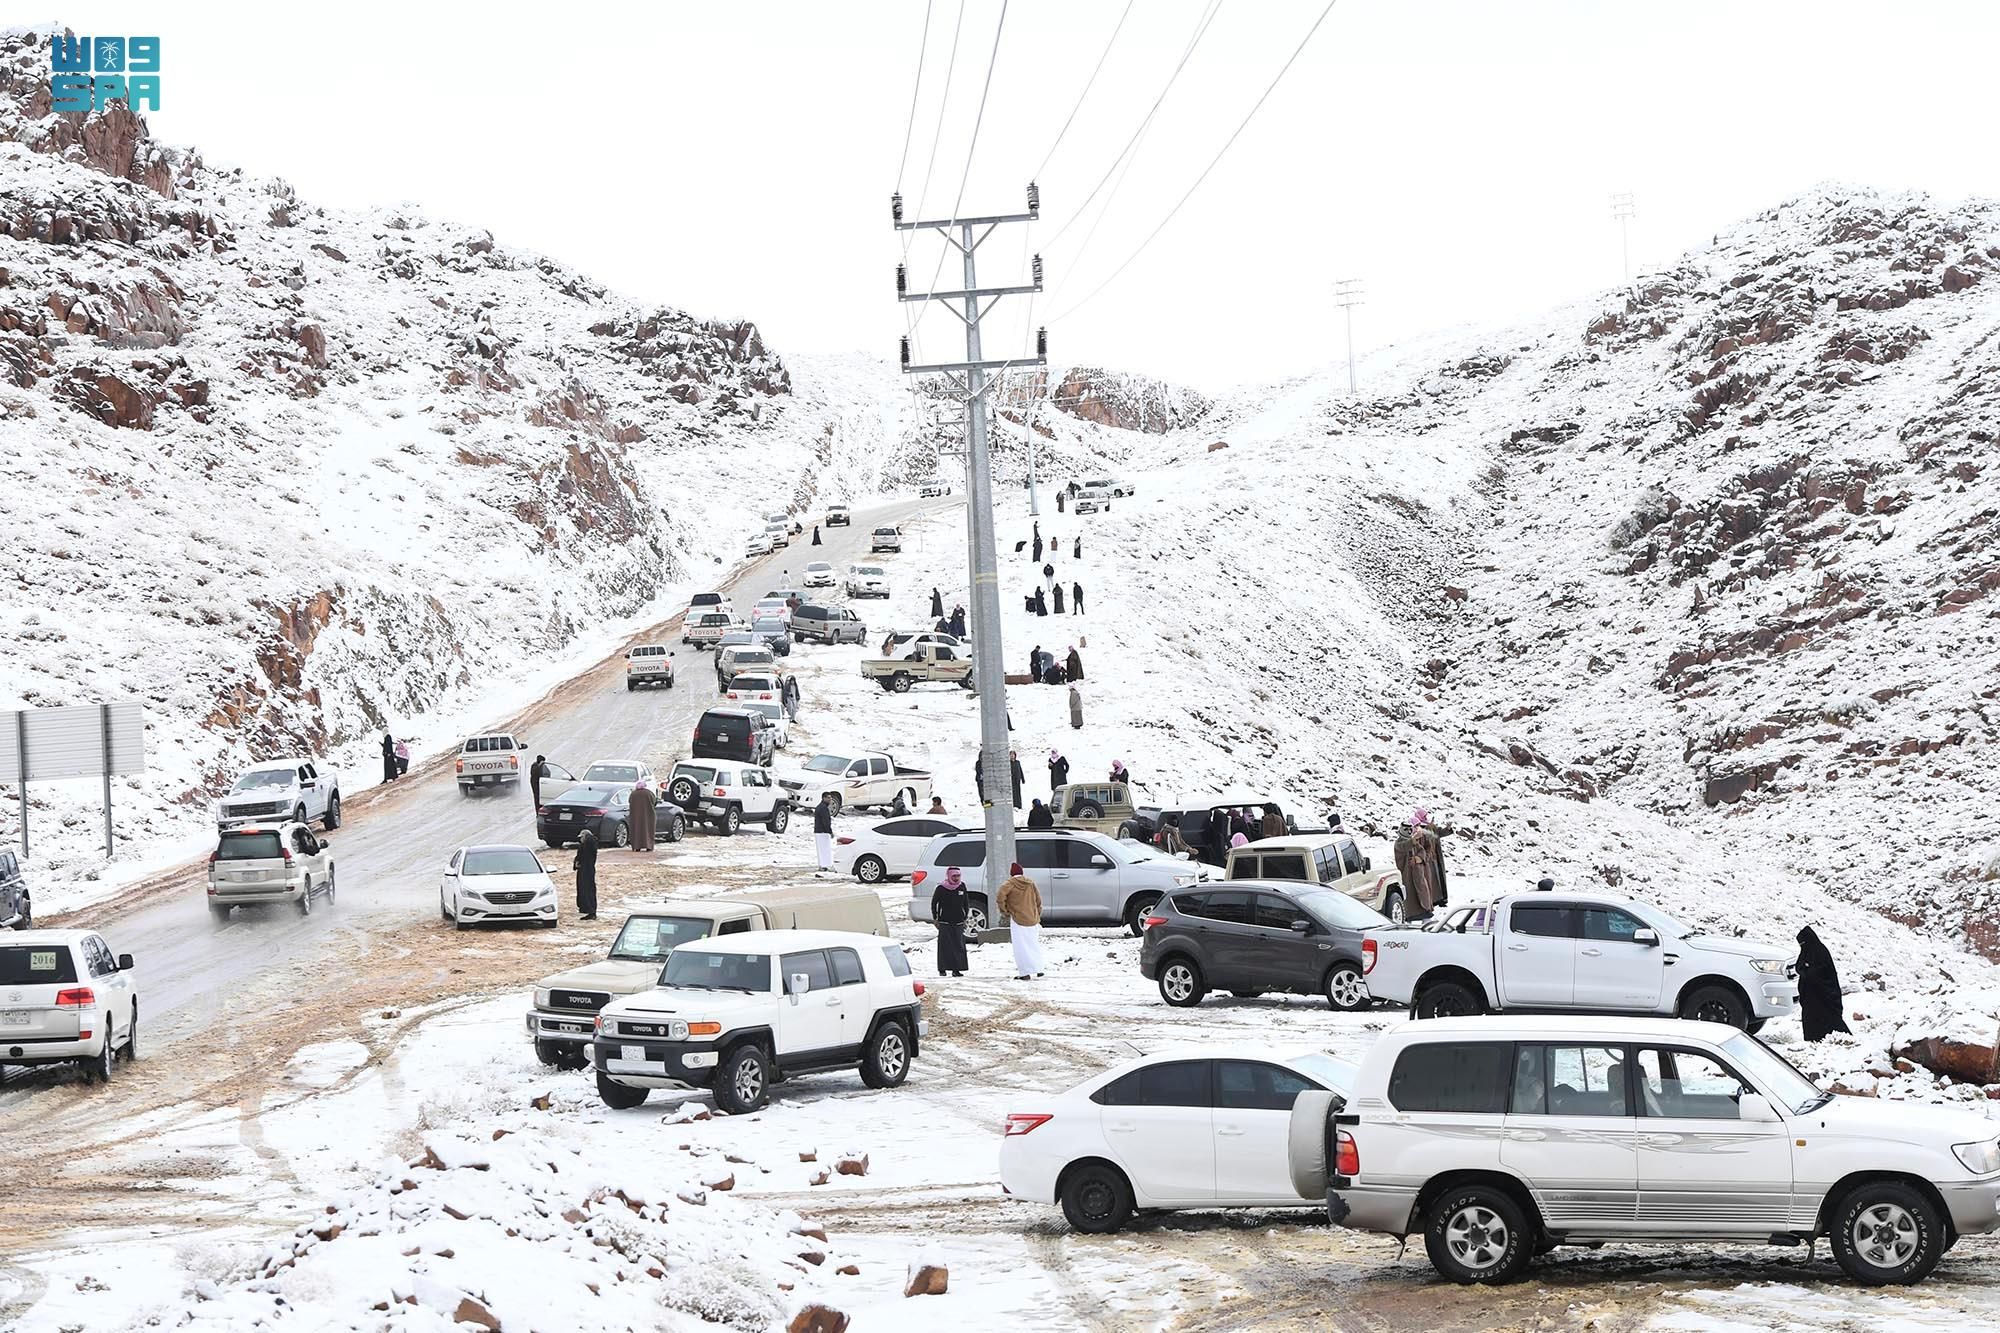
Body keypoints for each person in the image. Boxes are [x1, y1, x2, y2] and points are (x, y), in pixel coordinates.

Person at [1796, 926, 1851, 1041]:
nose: (1802, 946)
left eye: (1803, 943)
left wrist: (1807, 970)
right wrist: (1805, 970)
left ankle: (1841, 1038)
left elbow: (1817, 973)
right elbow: (1799, 967)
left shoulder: (1820, 952)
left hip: (1825, 995)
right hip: (1811, 998)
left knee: (1830, 1019)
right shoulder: (1807, 952)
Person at [1393, 808, 1446, 918]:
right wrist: (1413, 840)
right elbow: (1403, 847)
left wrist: (1419, 858)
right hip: (1408, 876)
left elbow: (1423, 850)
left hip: (1421, 873)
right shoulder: (1400, 842)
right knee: (1412, 900)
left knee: (1424, 895)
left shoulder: (1418, 838)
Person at [996, 861, 1043, 980]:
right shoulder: (1031, 883)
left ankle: (1025, 972)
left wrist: (1005, 911)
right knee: (1033, 945)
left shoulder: (1009, 884)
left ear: (1011, 873)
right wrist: (1037, 914)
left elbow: (1000, 897)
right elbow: (1038, 901)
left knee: (1021, 947)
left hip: (1018, 919)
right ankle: (1039, 968)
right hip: (1033, 919)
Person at [931, 867, 971, 977]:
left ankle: (956, 969)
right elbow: (934, 903)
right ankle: (942, 969)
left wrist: (965, 916)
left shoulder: (962, 886)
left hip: (958, 921)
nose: (956, 878)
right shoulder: (941, 888)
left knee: (958, 946)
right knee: (945, 946)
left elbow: (966, 903)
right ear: (949, 876)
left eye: (958, 876)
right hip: (945, 921)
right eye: (954, 876)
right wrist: (935, 918)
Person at [573, 827, 599, 920]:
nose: (580, 840)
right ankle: (585, 907)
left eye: (581, 838)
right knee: (583, 889)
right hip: (583, 869)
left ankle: (591, 910)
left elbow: (590, 844)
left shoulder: (589, 843)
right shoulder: (584, 846)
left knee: (588, 889)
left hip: (587, 870)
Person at [629, 778, 657, 852]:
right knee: (648, 830)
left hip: (635, 816)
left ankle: (636, 846)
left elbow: (630, 802)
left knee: (636, 830)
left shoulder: (633, 794)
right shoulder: (649, 793)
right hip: (649, 816)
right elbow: (654, 802)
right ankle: (649, 846)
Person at [813, 792, 835, 873]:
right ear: (824, 798)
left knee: (823, 849)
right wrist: (830, 831)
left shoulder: (821, 807)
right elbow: (825, 821)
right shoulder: (823, 808)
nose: (830, 799)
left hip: (820, 831)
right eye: (828, 798)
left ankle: (824, 865)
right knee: (823, 849)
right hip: (822, 831)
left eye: (830, 798)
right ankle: (823, 865)